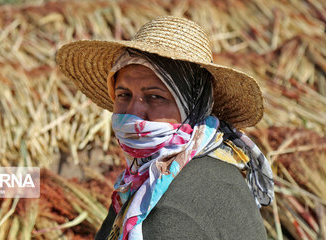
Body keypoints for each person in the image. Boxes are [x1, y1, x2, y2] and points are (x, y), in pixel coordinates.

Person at [56, 16, 274, 240]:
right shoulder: (212, 166)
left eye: (155, 97)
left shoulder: (167, 211)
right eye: (124, 95)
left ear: (192, 106)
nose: (134, 112)